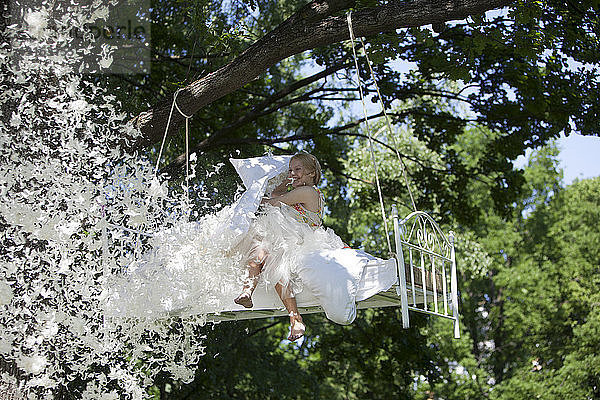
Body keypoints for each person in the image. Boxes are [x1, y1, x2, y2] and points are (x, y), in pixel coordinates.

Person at [234, 152, 326, 341]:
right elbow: (277, 194)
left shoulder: (309, 191)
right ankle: (248, 290)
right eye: (290, 170)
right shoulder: (295, 190)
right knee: (261, 245)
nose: (293, 173)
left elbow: (275, 202)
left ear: (311, 173)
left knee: (273, 252)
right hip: (283, 239)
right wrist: (288, 179)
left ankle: (295, 317)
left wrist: (250, 200)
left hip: (301, 241)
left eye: (298, 169)